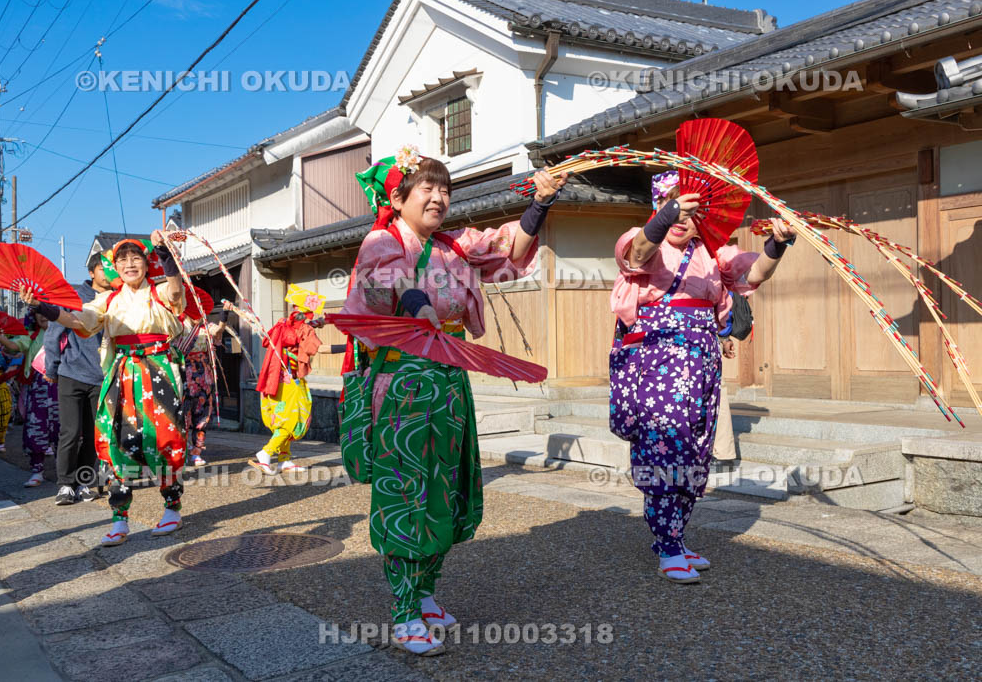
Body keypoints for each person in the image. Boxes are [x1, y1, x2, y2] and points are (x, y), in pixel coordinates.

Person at [340, 146, 566, 655]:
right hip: (402, 381)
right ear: (397, 198)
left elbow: (508, 252)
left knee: (446, 487)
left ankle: (424, 592)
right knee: (406, 491)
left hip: (447, 376)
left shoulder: (456, 245)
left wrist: (540, 205)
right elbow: (383, 288)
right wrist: (415, 301)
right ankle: (402, 612)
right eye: (428, 187)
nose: (439, 196)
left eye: (445, 188)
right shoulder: (381, 240)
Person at [609, 169, 794, 584]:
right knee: (665, 448)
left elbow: (754, 274)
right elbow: (636, 255)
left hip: (703, 363)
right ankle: (668, 544)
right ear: (658, 207)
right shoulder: (643, 240)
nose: (681, 218)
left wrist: (777, 243)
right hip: (658, 366)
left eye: (691, 211)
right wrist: (670, 210)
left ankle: (674, 535)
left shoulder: (714, 252)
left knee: (696, 449)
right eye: (673, 206)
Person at [22, 233, 186, 547]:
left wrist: (165, 252)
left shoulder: (162, 289)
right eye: (122, 259)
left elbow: (177, 291)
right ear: (114, 267)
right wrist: (42, 305)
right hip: (122, 372)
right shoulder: (108, 299)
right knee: (116, 442)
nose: (130, 264)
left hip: (158, 369)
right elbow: (76, 319)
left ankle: (172, 507)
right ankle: (119, 518)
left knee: (164, 438)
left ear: (147, 263)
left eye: (136, 258)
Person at [45, 253, 110, 505]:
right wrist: (52, 368)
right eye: (102, 268)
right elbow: (53, 334)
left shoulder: (116, 298)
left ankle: (84, 482)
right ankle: (64, 485)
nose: (108, 273)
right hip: (71, 373)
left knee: (94, 434)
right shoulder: (73, 296)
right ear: (92, 272)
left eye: (110, 268)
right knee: (70, 432)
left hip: (102, 376)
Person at [245, 290, 324, 475]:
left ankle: (284, 460)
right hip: (291, 383)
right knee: (290, 421)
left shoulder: (284, 325)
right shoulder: (305, 330)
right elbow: (316, 347)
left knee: (283, 418)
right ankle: (266, 453)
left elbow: (297, 330)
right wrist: (345, 347)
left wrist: (318, 323)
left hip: (276, 379)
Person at [0, 312, 60, 487]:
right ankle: (37, 471)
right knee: (35, 429)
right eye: (39, 312)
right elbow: (14, 346)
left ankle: (64, 472)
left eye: (47, 311)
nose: (43, 316)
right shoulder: (32, 335)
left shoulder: (66, 332)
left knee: (64, 430)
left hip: (62, 386)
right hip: (38, 386)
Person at [178, 308, 228, 466]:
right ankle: (182, 451)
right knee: (183, 414)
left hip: (204, 374)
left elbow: (218, 331)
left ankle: (196, 451)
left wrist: (224, 316)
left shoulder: (206, 326)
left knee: (203, 414)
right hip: (184, 371)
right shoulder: (178, 324)